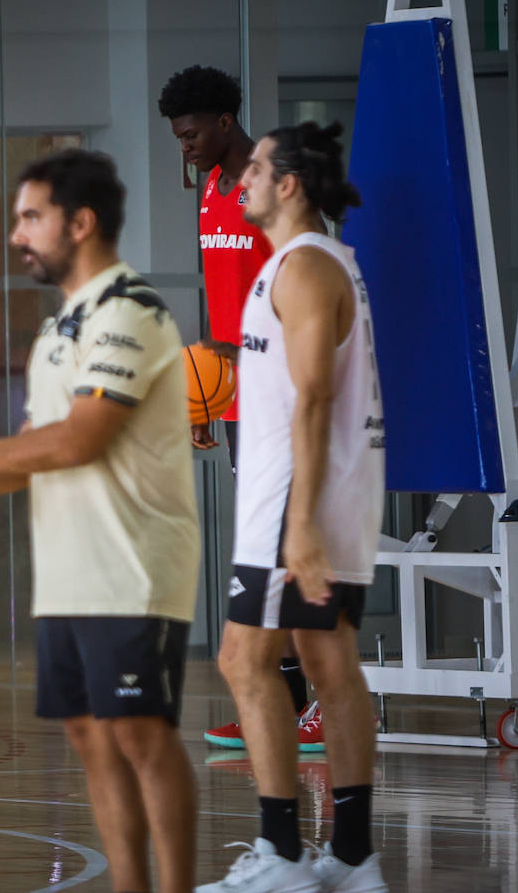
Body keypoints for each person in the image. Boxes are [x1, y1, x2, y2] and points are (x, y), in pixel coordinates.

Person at [0, 150, 200, 893]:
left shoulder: (133, 312)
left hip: (134, 570)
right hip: (67, 573)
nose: (16, 234)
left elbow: (81, 437)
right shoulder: (58, 328)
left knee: (141, 735)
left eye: (31, 217)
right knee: (89, 739)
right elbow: (33, 453)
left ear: (81, 223)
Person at [197, 122, 387, 893]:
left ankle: (280, 855)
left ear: (289, 185)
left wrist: (300, 523)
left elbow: (314, 396)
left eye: (256, 168)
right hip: (324, 494)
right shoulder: (310, 262)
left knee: (244, 659)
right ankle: (351, 857)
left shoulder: (306, 267)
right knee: (326, 663)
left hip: (297, 502)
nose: (241, 177)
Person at [158, 64, 318, 753]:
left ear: (225, 122)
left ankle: (319, 705)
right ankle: (281, 703)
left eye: (192, 134)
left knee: (286, 553)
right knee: (259, 554)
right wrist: (206, 387)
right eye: (177, 136)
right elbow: (222, 293)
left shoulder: (271, 186)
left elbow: (305, 288)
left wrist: (235, 358)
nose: (184, 146)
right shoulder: (209, 187)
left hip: (281, 388)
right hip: (236, 396)